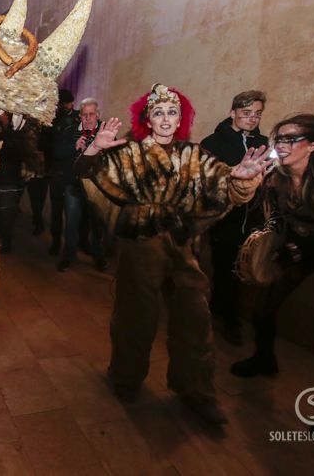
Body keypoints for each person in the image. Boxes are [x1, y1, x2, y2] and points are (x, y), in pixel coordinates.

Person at [76, 83, 272, 424]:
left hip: (183, 246)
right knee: (135, 316)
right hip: (138, 245)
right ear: (147, 119)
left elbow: (226, 187)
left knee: (195, 317)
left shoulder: (194, 155)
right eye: (158, 112)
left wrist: (242, 179)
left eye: (172, 112)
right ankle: (126, 378)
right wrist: (94, 149)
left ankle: (196, 390)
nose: (166, 118)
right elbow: (86, 178)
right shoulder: (129, 153)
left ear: (180, 118)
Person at [231, 114, 314, 434]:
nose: (281, 145)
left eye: (291, 139)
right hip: (294, 252)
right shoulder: (277, 178)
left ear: (313, 146)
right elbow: (276, 219)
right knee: (261, 308)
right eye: (280, 139)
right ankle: (264, 359)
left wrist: (292, 250)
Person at [201, 90, 268, 345]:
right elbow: (207, 181)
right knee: (225, 267)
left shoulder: (262, 142)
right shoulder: (213, 142)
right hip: (224, 217)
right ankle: (230, 321)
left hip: (254, 218)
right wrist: (235, 176)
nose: (252, 119)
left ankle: (222, 310)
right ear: (233, 113)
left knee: (245, 270)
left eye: (257, 114)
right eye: (246, 114)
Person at [54, 97, 106, 272]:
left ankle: (99, 258)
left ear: (98, 115)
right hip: (74, 186)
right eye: (84, 115)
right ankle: (68, 257)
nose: (88, 118)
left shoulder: (105, 133)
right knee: (71, 224)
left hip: (97, 188)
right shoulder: (70, 130)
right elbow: (57, 153)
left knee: (97, 226)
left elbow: (115, 159)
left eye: (91, 114)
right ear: (80, 116)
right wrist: (73, 146)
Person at [0, 110, 27, 253]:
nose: (0, 116)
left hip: (9, 182)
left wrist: (8, 132)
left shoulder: (18, 135)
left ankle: (6, 244)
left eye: (3, 114)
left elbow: (14, 150)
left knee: (7, 216)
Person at [48, 89, 78, 256]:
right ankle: (55, 242)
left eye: (62, 103)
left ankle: (72, 246)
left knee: (73, 215)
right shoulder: (53, 120)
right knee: (56, 212)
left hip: (72, 173)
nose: (60, 106)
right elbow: (48, 147)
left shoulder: (79, 118)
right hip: (56, 172)